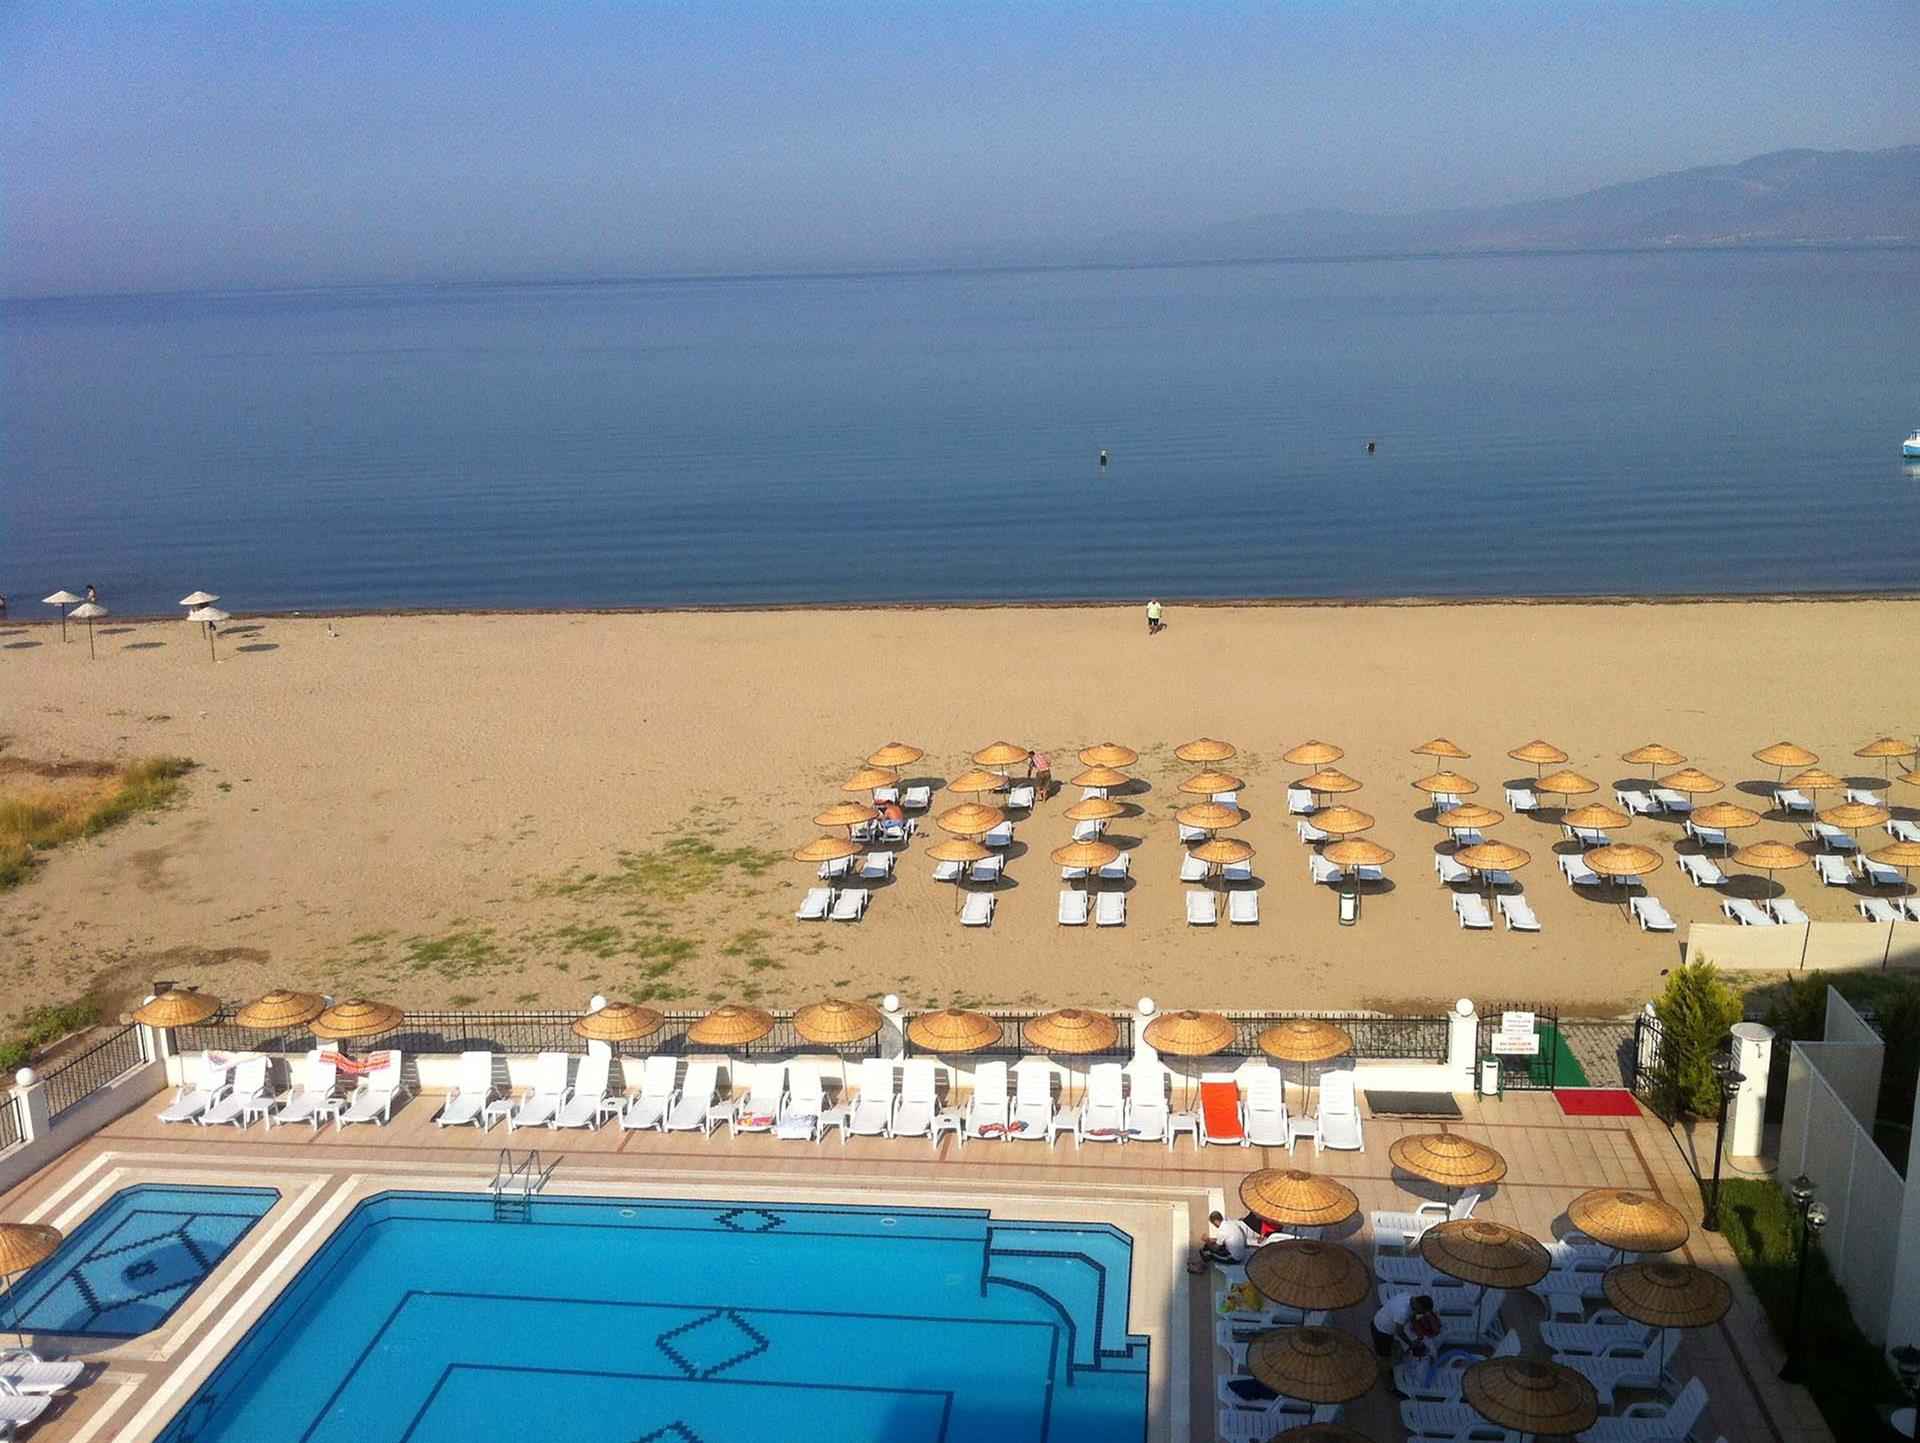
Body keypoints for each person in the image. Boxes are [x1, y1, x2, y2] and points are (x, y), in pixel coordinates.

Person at [1372, 1291, 1437, 1360]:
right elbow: (1399, 1332)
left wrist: (1418, 1333)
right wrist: (1411, 1344)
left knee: (1387, 1345)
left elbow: (1413, 1315)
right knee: (1384, 1353)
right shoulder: (1403, 1312)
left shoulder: (1408, 1296)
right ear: (1419, 1306)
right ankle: (1379, 1355)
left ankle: (1379, 1347)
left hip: (1379, 1317)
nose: (1421, 1313)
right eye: (1422, 1311)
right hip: (1381, 1330)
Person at [1196, 1210, 1261, 1265]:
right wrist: (1210, 1240)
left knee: (1209, 1253)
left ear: (1216, 1221)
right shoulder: (1230, 1223)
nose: (1214, 1225)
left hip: (1234, 1258)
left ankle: (1200, 1265)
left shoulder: (1222, 1231)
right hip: (1240, 1252)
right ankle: (1202, 1261)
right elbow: (1223, 1239)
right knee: (1208, 1246)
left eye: (1213, 1223)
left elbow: (1215, 1248)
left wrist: (1207, 1240)